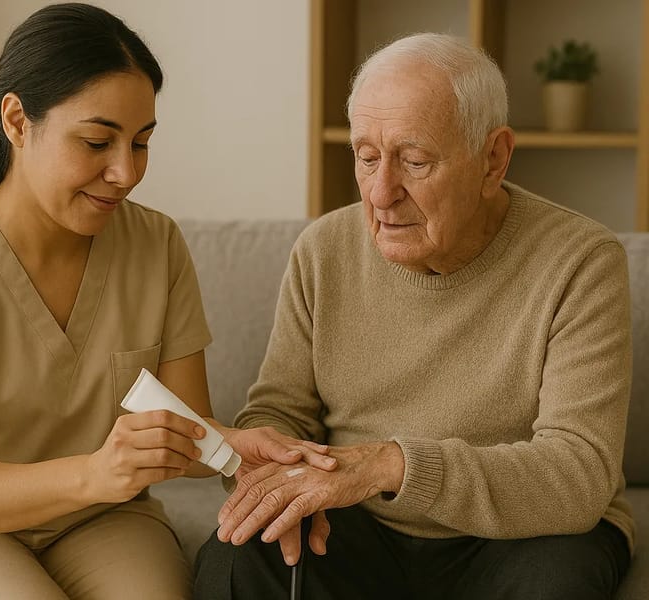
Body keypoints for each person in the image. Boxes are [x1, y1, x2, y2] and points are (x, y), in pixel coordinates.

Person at [0, 4, 334, 599]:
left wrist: (232, 444)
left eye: (141, 142)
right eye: (98, 141)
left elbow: (182, 430)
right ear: (18, 122)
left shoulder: (156, 245)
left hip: (100, 516)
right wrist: (93, 473)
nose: (126, 172)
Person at [194, 32, 634, 599]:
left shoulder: (580, 262)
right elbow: (281, 410)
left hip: (522, 537)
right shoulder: (322, 251)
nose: (380, 193)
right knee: (233, 561)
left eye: (416, 160)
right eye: (367, 157)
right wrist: (268, 459)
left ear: (493, 158)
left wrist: (393, 465)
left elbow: (578, 476)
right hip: (358, 525)